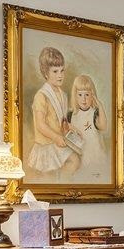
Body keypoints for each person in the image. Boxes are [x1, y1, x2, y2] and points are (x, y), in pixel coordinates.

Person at [27, 46, 75, 176]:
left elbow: (63, 121)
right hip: (46, 145)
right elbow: (40, 124)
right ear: (46, 73)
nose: (60, 75)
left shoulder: (63, 95)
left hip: (59, 142)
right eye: (55, 71)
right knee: (51, 177)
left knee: (74, 162)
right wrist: (56, 137)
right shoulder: (41, 96)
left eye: (62, 71)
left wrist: (71, 129)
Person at [64, 73, 108, 178]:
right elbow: (65, 134)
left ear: (92, 95)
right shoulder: (71, 115)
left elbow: (103, 126)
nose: (83, 99)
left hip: (95, 157)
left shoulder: (94, 113)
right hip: (79, 159)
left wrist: (100, 106)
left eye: (87, 95)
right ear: (75, 95)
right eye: (80, 95)